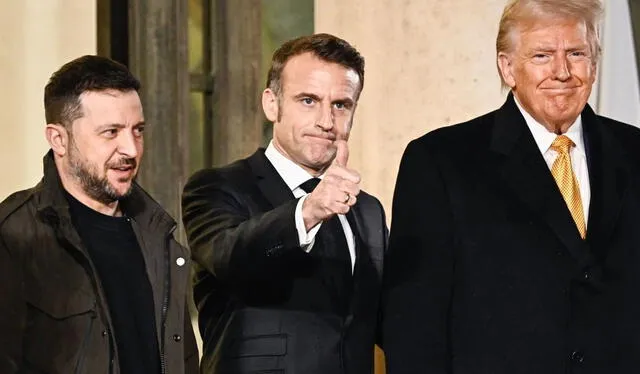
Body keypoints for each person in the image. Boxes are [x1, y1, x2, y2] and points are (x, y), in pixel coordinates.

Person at [383, 0, 640, 372]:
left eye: (576, 53)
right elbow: (414, 322)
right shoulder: (441, 161)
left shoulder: (634, 153)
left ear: (595, 63)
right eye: (542, 55)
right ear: (507, 67)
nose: (562, 71)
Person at [182, 33, 387, 374]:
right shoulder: (217, 187)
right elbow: (230, 256)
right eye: (308, 100)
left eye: (341, 105)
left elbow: (390, 316)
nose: (326, 121)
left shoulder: (367, 211)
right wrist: (309, 210)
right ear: (271, 104)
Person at [0, 55, 199, 374]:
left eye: (138, 131)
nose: (131, 150)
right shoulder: (14, 236)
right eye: (111, 132)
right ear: (59, 139)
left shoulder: (157, 234)